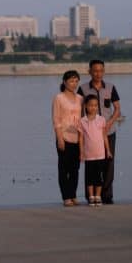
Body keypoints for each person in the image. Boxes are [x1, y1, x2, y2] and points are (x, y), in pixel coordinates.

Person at [78, 59, 121, 204]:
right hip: (90, 135)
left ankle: (106, 195)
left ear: (104, 71)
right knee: (90, 166)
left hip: (109, 132)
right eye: (95, 71)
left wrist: (109, 123)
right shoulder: (83, 89)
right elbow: (79, 110)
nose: (98, 73)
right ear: (89, 71)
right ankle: (90, 196)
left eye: (101, 70)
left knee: (109, 164)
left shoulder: (111, 87)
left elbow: (117, 109)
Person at [52, 69, 84, 206]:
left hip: (77, 138)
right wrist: (59, 138)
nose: (74, 84)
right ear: (65, 82)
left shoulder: (80, 98)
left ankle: (73, 195)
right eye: (71, 81)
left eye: (76, 81)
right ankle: (66, 197)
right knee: (64, 169)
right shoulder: (59, 98)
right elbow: (56, 120)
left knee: (75, 169)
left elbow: (83, 119)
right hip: (64, 137)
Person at [78, 94, 112, 206]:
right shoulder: (82, 121)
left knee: (99, 176)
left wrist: (108, 150)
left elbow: (104, 136)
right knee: (89, 177)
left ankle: (98, 196)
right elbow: (81, 138)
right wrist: (81, 152)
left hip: (100, 154)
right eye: (91, 105)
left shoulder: (101, 119)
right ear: (86, 106)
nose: (93, 107)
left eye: (95, 105)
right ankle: (91, 196)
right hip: (88, 155)